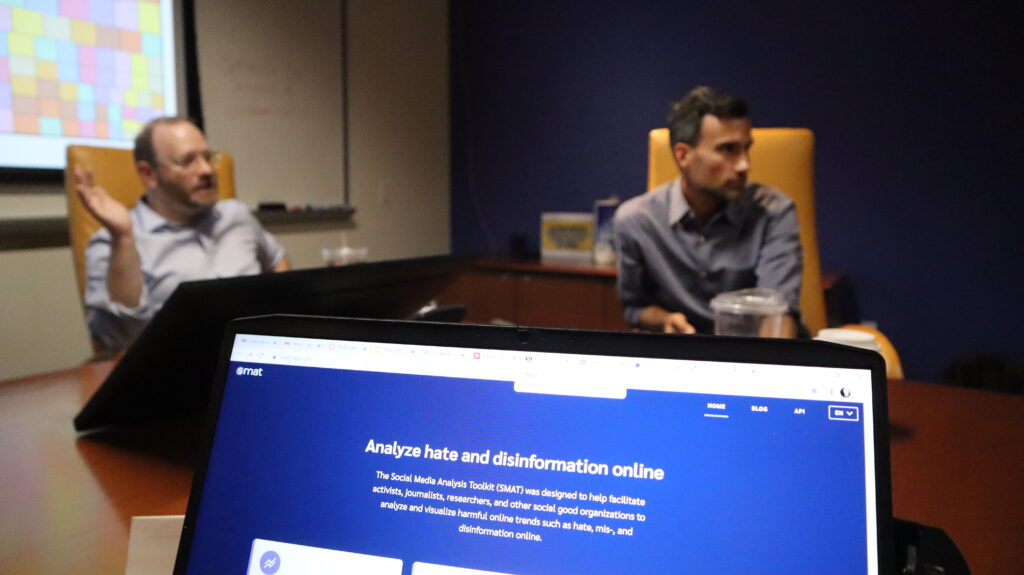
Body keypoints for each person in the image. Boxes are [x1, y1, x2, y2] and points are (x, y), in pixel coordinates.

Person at [77, 117, 290, 351]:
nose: (207, 170)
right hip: (180, 368)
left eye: (207, 157)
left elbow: (277, 261)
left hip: (256, 357)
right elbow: (119, 340)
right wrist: (123, 239)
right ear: (148, 173)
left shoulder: (236, 214)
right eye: (187, 161)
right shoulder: (113, 241)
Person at [613, 86, 803, 337]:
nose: (745, 164)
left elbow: (778, 314)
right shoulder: (636, 221)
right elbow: (636, 308)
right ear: (683, 155)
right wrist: (664, 320)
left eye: (746, 148)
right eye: (728, 150)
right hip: (682, 361)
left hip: (755, 355)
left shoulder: (774, 212)